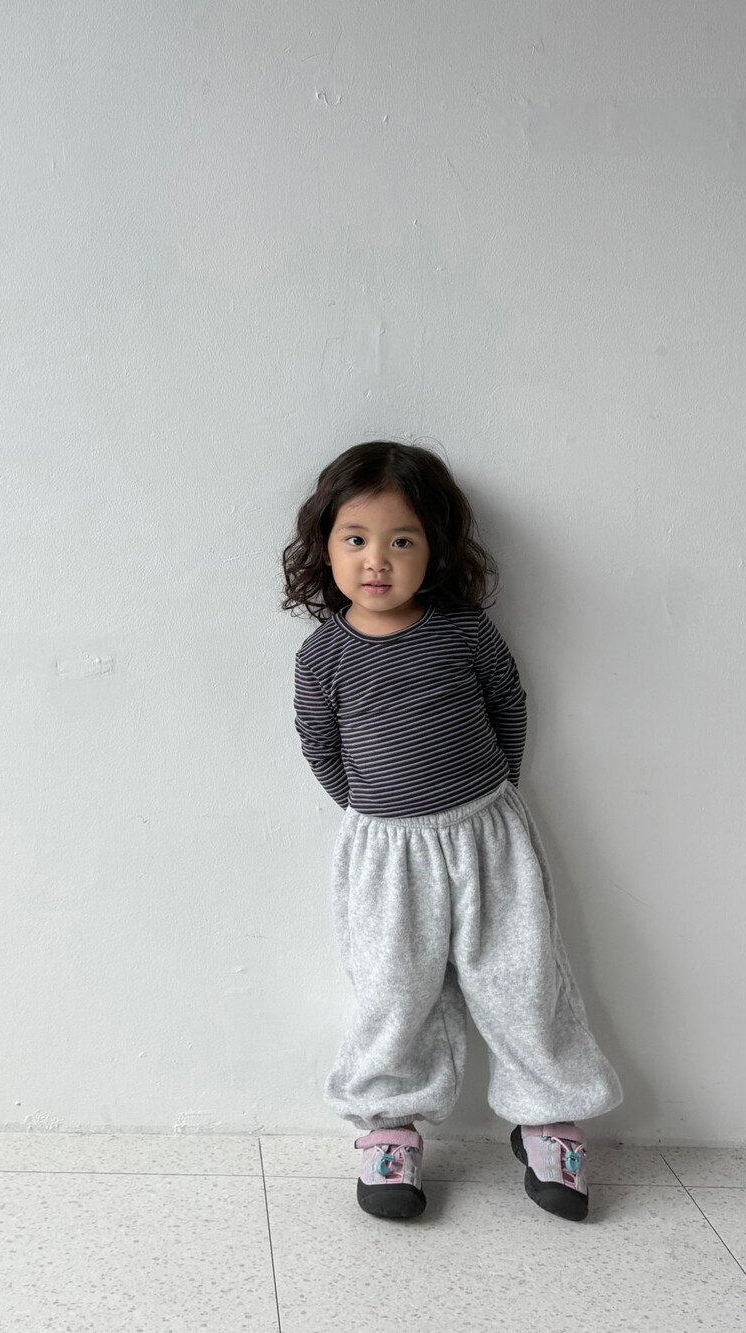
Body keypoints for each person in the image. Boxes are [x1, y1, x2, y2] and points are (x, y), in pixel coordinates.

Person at [280, 439, 622, 1222]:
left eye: (401, 540)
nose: (377, 559)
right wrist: (374, 809)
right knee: (394, 989)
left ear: (433, 548)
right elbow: (320, 746)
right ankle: (389, 1128)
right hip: (384, 851)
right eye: (356, 538)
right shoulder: (322, 657)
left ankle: (547, 1119)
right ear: (325, 545)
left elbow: (508, 704)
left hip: (487, 832)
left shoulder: (463, 631)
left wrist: (494, 791)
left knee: (520, 976)